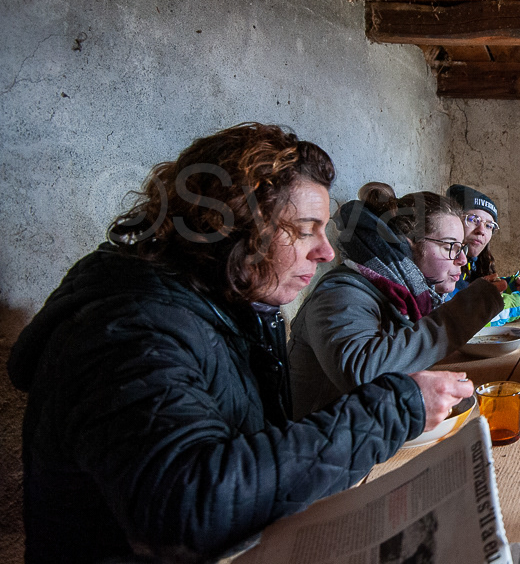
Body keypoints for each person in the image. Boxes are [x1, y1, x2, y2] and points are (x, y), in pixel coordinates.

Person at [6, 123, 474, 564]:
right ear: (232, 226)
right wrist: (394, 408)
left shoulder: (233, 306)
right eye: (303, 229)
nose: (326, 251)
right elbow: (187, 508)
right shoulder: (128, 331)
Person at [288, 188, 503, 418]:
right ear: (408, 243)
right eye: (450, 246)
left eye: (461, 247)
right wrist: (467, 312)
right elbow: (364, 372)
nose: (462, 259)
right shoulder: (341, 293)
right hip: (320, 447)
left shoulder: (406, 293)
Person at [445, 184, 520, 325]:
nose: (481, 230)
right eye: (473, 219)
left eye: (489, 225)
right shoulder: (444, 264)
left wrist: (508, 285)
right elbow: (460, 315)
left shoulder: (472, 263)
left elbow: (470, 292)